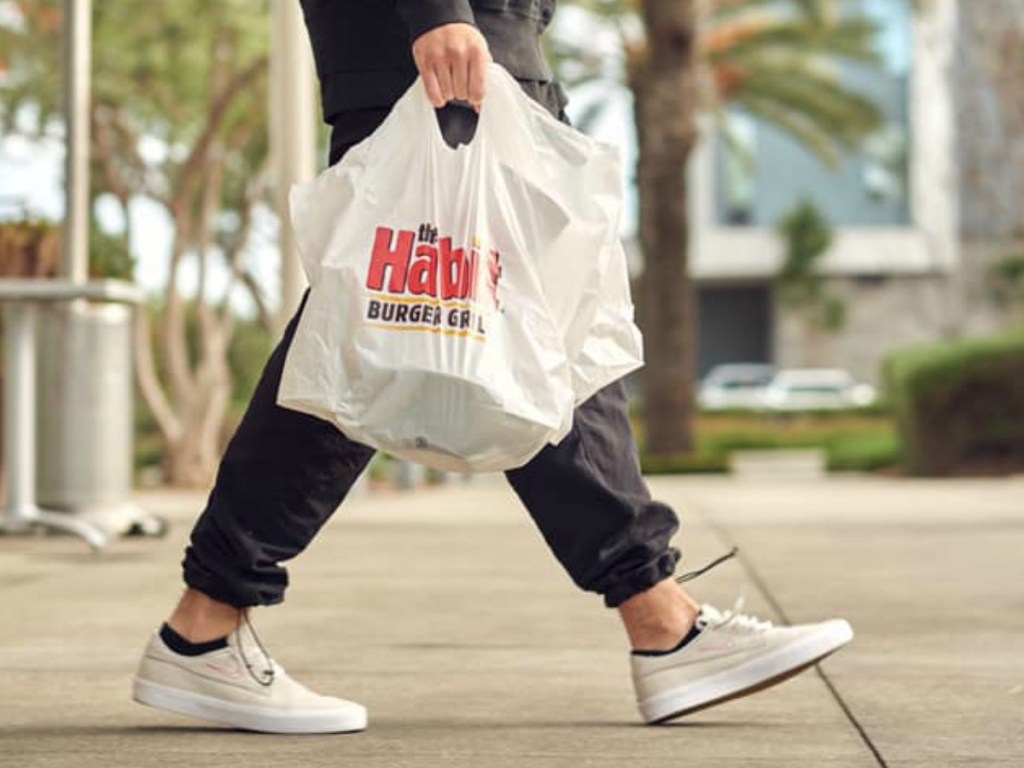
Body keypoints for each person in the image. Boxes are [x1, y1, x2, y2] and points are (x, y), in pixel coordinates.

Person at [132, 0, 852, 734]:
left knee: (439, 334)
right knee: (402, 335)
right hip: (439, 47)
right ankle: (660, 620)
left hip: (477, 43)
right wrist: (436, 13)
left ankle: (208, 622)